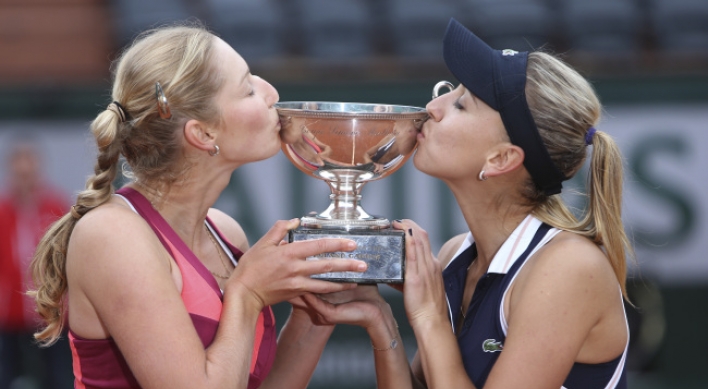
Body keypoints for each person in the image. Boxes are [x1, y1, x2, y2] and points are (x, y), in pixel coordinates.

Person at [27, 23, 368, 389]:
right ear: (203, 134)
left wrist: (317, 311)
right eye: (248, 88)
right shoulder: (112, 234)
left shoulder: (226, 232)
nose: (272, 93)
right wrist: (248, 294)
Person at [302, 18, 633, 389]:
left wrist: (430, 316)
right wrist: (382, 324)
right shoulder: (455, 254)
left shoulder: (569, 267)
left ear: (501, 159)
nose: (432, 107)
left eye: (460, 104)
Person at [0, 138, 73, 388]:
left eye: (29, 172)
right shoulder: (2, 211)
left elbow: (66, 255)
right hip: (8, 315)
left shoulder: (55, 207)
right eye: (20, 173)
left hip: (50, 314)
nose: (25, 179)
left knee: (58, 377)